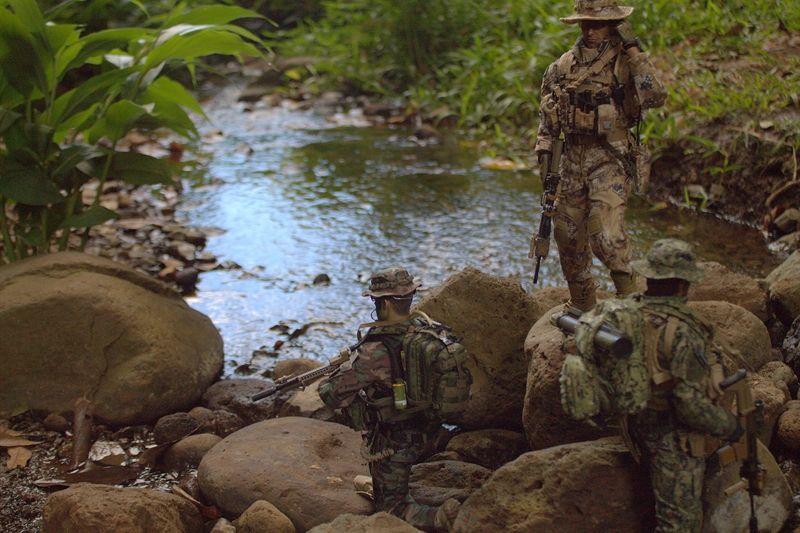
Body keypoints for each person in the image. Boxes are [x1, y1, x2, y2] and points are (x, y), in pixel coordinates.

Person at [576, 239, 743, 532]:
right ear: (682, 285)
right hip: (670, 438)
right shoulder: (683, 331)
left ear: (650, 277)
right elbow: (688, 404)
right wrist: (729, 426)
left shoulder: (626, 311)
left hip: (632, 424)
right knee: (680, 525)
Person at [534, 0, 668, 311]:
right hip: (571, 160)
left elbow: (656, 97)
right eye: (585, 23)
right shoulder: (561, 67)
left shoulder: (625, 63)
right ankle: (581, 304)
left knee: (607, 236)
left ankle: (632, 303)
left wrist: (634, 48)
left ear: (614, 25)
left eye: (598, 24)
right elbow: (547, 124)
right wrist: (545, 160)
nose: (590, 30)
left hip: (610, 158)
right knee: (567, 234)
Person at [318, 267, 462, 532]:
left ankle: (442, 518)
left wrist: (339, 372)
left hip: (396, 440)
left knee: (392, 510)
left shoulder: (374, 349)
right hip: (427, 428)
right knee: (385, 481)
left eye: (375, 299)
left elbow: (331, 394)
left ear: (381, 301)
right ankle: (383, 483)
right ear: (409, 297)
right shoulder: (424, 328)